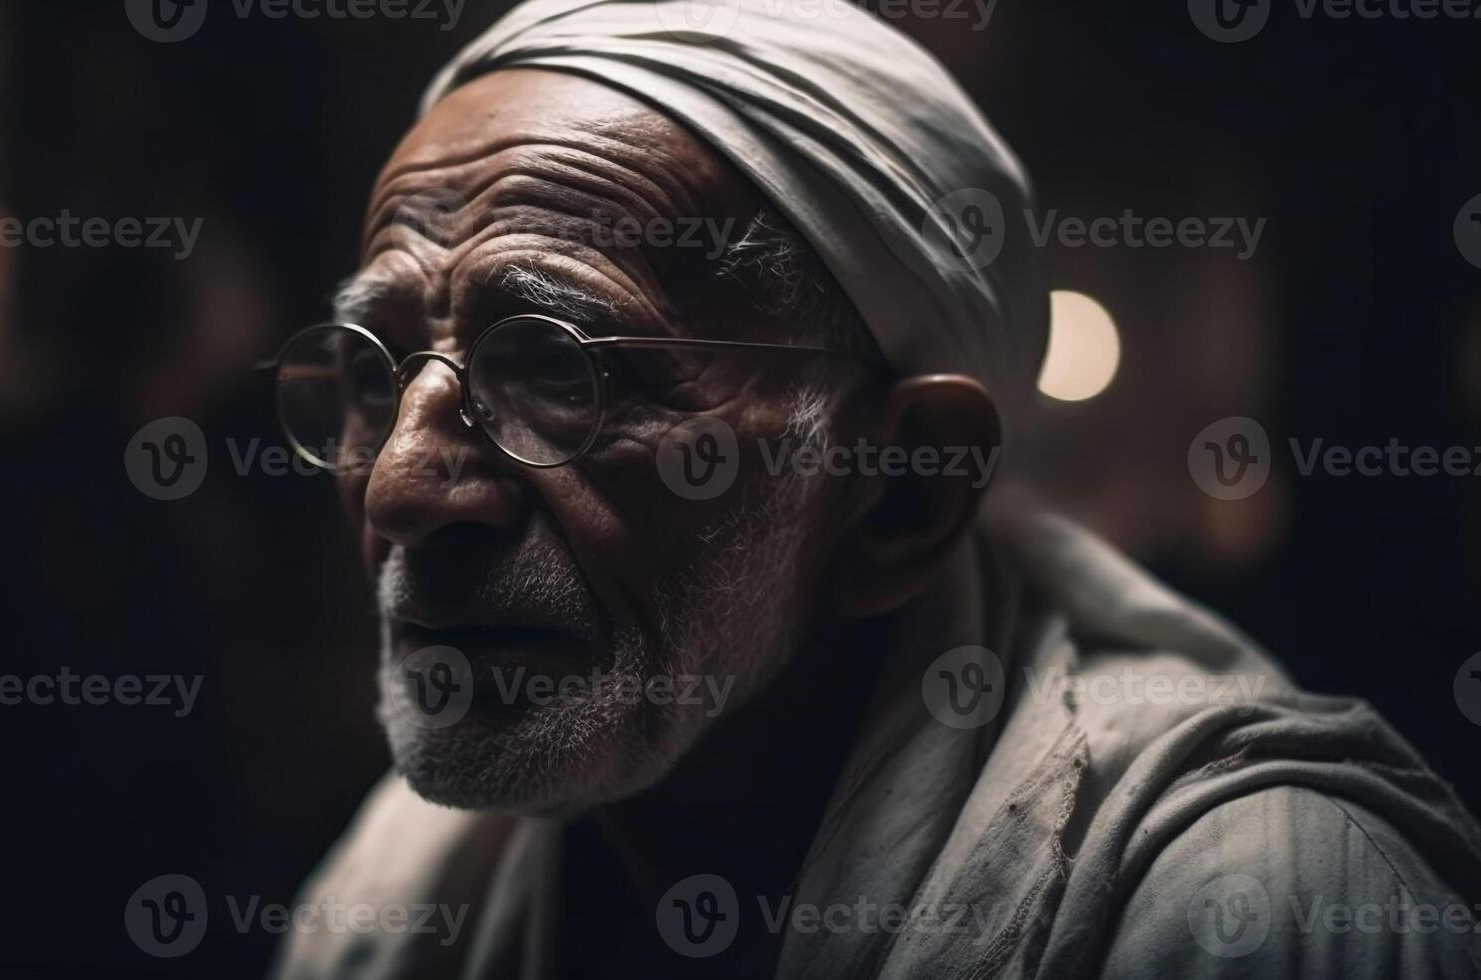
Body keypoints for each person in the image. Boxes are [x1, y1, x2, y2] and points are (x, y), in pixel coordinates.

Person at [269, 1, 1481, 976]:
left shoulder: (1257, 902)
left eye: (558, 368)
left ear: (901, 487)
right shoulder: (388, 897)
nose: (406, 487)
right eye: (376, 375)